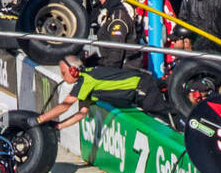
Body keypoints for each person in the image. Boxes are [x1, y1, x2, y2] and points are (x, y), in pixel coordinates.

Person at [37, 55, 170, 130]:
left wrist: (39, 119)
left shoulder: (85, 80)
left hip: (143, 88)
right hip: (141, 88)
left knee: (168, 116)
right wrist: (58, 126)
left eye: (64, 73)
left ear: (73, 71)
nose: (63, 77)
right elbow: (82, 113)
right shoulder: (86, 81)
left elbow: (65, 105)